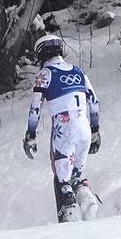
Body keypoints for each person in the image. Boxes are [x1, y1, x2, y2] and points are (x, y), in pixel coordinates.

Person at [22, 34, 102, 223]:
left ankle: (69, 212)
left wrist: (30, 134)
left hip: (63, 127)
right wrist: (95, 130)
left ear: (41, 53)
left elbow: (35, 107)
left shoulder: (45, 74)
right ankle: (86, 198)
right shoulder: (78, 71)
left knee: (61, 178)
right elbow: (94, 101)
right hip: (84, 128)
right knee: (75, 176)